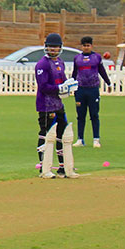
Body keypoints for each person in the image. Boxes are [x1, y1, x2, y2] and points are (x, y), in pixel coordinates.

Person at [35, 32, 79, 178]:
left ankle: (63, 168)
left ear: (60, 48)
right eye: (50, 47)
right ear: (45, 47)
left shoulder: (59, 62)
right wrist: (59, 89)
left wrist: (68, 86)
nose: (52, 50)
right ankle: (44, 168)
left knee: (63, 134)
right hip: (46, 106)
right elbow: (43, 86)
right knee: (47, 134)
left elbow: (63, 80)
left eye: (55, 47)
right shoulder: (42, 64)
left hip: (58, 104)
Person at [71, 35, 111, 148]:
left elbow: (102, 71)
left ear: (91, 46)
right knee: (80, 115)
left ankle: (96, 139)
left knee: (94, 114)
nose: (86, 48)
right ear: (81, 46)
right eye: (84, 46)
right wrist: (71, 86)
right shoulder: (77, 58)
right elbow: (75, 73)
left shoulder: (96, 57)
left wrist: (108, 83)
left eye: (88, 46)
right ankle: (80, 139)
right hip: (80, 89)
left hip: (93, 89)